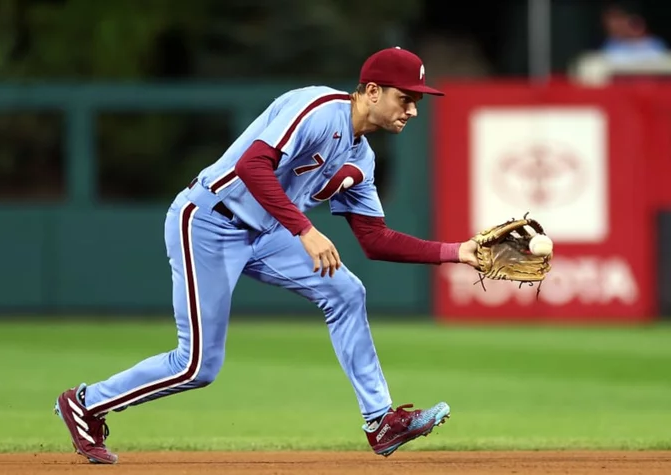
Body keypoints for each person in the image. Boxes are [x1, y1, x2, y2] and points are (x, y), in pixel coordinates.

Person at [53, 46, 481, 465]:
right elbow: (252, 166)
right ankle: (87, 403)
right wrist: (306, 230)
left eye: (416, 101)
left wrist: (456, 252)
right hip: (209, 221)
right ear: (372, 91)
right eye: (405, 98)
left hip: (268, 232)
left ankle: (380, 421)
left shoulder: (361, 158)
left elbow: (375, 239)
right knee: (197, 366)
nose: (413, 110)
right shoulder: (317, 107)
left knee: (347, 293)